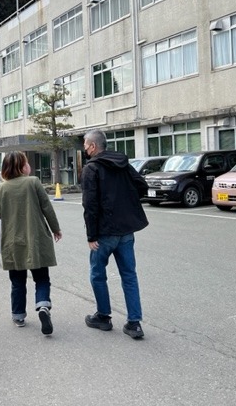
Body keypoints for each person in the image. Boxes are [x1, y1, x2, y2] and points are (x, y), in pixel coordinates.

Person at [81, 129, 149, 340]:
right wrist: (125, 203)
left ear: (93, 146)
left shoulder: (91, 168)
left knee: (97, 273)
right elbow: (142, 186)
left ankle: (103, 316)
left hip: (104, 232)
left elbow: (90, 205)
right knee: (129, 275)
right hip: (126, 230)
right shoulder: (123, 164)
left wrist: (91, 235)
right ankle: (134, 323)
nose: (84, 148)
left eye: (85, 145)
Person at [0, 151, 62, 335]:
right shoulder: (33, 182)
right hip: (36, 239)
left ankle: (18, 315)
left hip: (13, 240)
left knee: (17, 281)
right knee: (42, 278)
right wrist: (56, 229)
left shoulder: (2, 188)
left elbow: (0, 214)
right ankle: (43, 305)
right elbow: (47, 207)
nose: (29, 165)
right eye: (26, 162)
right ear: (22, 166)